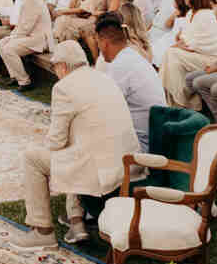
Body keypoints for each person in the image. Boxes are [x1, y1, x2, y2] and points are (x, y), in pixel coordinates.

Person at [19, 39, 138, 246]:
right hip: (126, 165)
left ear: (62, 66)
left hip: (100, 171)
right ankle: (76, 220)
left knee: (33, 157)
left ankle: (42, 231)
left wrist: (44, 142)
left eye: (54, 67)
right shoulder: (104, 78)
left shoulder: (64, 87)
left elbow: (56, 141)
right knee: (75, 150)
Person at [94, 12, 166, 146]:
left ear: (104, 43)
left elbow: (102, 110)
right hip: (153, 136)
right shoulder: (130, 55)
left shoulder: (120, 65)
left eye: (97, 42)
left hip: (142, 145)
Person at [160, 0, 217, 108]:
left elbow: (195, 42)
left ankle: (179, 100)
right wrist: (181, 42)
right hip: (192, 53)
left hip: (208, 57)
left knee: (172, 53)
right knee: (172, 58)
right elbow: (184, 38)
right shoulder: (190, 14)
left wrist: (181, 43)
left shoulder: (206, 15)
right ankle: (175, 99)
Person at [0, 0, 53, 87]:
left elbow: (27, 26)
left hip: (39, 39)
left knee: (8, 48)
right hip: (29, 35)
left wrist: (13, 37)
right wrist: (13, 36)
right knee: (0, 44)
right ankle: (15, 76)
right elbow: (23, 25)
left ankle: (24, 81)